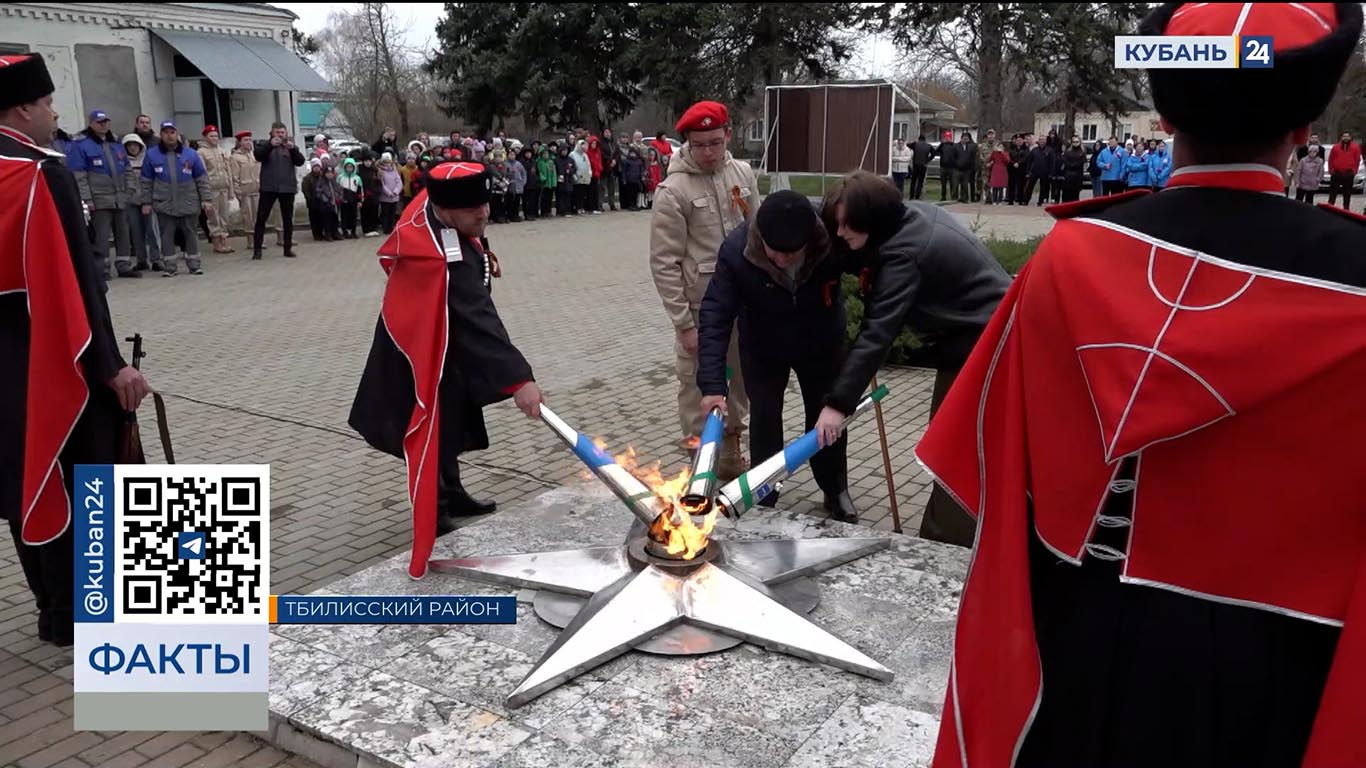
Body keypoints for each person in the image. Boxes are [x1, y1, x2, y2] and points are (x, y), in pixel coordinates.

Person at [916, 4, 1366, 767]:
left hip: (1077, 630)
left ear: (1162, 115)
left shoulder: (1071, 255)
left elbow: (988, 457)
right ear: (1305, 126)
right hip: (1277, 660)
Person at [1, 53, 151, 647]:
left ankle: (54, 610)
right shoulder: (40, 172)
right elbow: (78, 285)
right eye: (46, 103)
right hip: (55, 357)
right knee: (89, 471)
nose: (53, 113)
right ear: (21, 108)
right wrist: (109, 364)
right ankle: (95, 606)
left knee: (23, 476)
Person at [349, 162, 545, 579]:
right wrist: (519, 380)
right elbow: (478, 315)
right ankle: (435, 511)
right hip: (418, 351)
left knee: (452, 417)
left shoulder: (443, 208)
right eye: (475, 209)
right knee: (430, 426)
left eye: (486, 203)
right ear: (447, 209)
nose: (485, 214)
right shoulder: (435, 256)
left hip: (448, 339)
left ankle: (454, 494)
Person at [815, 170, 1010, 546]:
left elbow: (877, 333)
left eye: (846, 225)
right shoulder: (907, 218)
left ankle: (945, 546)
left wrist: (838, 405)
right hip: (971, 341)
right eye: (835, 224)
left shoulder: (906, 254)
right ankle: (956, 533)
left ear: (872, 218)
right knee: (949, 438)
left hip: (990, 347)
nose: (839, 234)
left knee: (955, 447)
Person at [698, 191, 856, 520]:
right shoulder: (737, 251)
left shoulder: (830, 238)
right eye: (775, 252)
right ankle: (764, 494)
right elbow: (715, 316)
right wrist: (713, 385)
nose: (782, 260)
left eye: (791, 253)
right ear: (761, 238)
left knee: (826, 419)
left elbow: (865, 260)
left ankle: (834, 488)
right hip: (763, 346)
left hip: (820, 343)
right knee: (766, 417)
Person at [650, 100, 757, 478]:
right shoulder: (673, 191)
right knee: (698, 392)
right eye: (700, 145)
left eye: (715, 142)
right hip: (700, 311)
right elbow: (664, 264)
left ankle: (730, 454)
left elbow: (757, 238)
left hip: (743, 307)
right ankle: (700, 468)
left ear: (728, 135)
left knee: (739, 385)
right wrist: (684, 324)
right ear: (687, 144)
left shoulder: (742, 173)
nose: (709, 152)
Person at [68, 108, 136, 279]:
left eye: (105, 121)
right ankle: (102, 269)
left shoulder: (115, 143)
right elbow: (80, 176)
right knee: (102, 235)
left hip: (120, 197)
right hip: (99, 199)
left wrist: (129, 190)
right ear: (91, 124)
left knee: (123, 233)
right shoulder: (82, 145)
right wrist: (87, 199)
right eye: (99, 122)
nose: (103, 125)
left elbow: (127, 169)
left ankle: (124, 265)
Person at [140, 121, 211, 277]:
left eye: (172, 132)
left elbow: (201, 179)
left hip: (188, 202)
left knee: (191, 233)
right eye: (165, 132)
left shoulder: (191, 154)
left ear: (177, 134)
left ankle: (194, 265)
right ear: (161, 135)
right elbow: (146, 181)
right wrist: (146, 202)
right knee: (166, 235)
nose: (169, 135)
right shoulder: (152, 154)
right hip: (164, 203)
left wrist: (206, 199)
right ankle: (170, 267)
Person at [253, 122, 304, 259]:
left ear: (286, 133)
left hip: (287, 188)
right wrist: (270, 145)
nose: (280, 135)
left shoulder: (291, 147)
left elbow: (300, 162)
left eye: (282, 132)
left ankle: (287, 248)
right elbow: (258, 156)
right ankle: (257, 249)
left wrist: (293, 150)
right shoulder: (264, 145)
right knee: (261, 218)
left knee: (287, 220)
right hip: (268, 188)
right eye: (277, 132)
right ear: (272, 133)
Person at [121, 132, 162, 271]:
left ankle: (157, 259)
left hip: (148, 201)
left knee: (153, 231)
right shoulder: (122, 161)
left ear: (140, 146)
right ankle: (141, 260)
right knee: (136, 233)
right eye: (129, 146)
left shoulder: (148, 160)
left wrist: (149, 200)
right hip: (131, 202)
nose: (132, 148)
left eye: (135, 145)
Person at [198, 125, 236, 254]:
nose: (214, 138)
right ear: (205, 137)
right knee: (213, 217)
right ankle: (216, 242)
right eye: (211, 136)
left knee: (224, 216)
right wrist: (204, 194)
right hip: (211, 189)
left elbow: (228, 171)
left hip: (223, 187)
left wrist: (231, 189)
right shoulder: (201, 152)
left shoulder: (222, 150)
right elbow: (201, 173)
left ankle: (224, 240)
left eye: (216, 136)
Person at [229, 131, 262, 250]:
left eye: (249, 140)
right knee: (248, 217)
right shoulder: (235, 157)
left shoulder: (254, 155)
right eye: (245, 140)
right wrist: (238, 193)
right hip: (245, 192)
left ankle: (259, 240)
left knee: (258, 216)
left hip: (257, 190)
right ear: (239, 142)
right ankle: (250, 241)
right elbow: (234, 177)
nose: (248, 142)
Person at [1326, 130, 1359, 209]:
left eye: (1347, 136)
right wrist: (1331, 170)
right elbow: (1331, 159)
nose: (1346, 138)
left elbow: (1357, 159)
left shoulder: (1355, 147)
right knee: (1333, 193)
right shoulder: (1335, 147)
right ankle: (1330, 208)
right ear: (1341, 137)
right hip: (1336, 173)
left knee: (1347, 194)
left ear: (1350, 137)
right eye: (1344, 136)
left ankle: (1346, 209)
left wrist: (1354, 171)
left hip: (1348, 173)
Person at [1024, 134, 1055, 206]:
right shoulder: (1034, 150)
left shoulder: (1050, 150)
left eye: (1043, 140)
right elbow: (1029, 161)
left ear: (1046, 141)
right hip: (1035, 171)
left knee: (1043, 188)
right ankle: (1026, 200)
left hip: (1045, 172)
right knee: (1029, 186)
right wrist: (1028, 171)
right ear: (1038, 141)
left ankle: (1040, 201)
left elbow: (1052, 163)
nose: (1041, 141)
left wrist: (1051, 173)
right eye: (1040, 140)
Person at [313, 164, 341, 241]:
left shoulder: (334, 181)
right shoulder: (321, 181)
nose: (329, 174)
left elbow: (339, 190)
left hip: (335, 203)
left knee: (335, 218)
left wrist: (338, 197)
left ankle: (335, 232)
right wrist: (325, 199)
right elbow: (318, 192)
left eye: (331, 172)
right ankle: (328, 233)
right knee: (327, 219)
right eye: (327, 173)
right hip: (325, 204)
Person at [337, 157, 362, 239]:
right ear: (344, 167)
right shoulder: (340, 177)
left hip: (353, 200)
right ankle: (345, 232)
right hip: (343, 201)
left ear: (354, 167)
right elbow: (337, 189)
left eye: (351, 167)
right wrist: (339, 199)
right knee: (344, 217)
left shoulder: (357, 178)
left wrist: (360, 200)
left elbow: (359, 190)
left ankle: (353, 232)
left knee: (353, 217)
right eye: (348, 167)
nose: (349, 168)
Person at [378, 152, 402, 234]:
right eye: (385, 162)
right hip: (385, 197)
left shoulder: (395, 171)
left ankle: (392, 227)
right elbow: (382, 184)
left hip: (394, 196)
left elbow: (399, 182)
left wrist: (396, 191)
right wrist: (389, 193)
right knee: (385, 213)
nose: (387, 164)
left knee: (392, 213)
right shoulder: (380, 171)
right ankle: (386, 228)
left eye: (389, 162)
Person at [1058, 136, 1087, 202]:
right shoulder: (1068, 151)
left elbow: (1083, 162)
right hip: (1068, 175)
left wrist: (1074, 165)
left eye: (1077, 142)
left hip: (1077, 176)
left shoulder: (1082, 152)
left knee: (1075, 194)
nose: (1075, 143)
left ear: (1080, 142)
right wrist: (1070, 165)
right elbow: (1064, 160)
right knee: (1066, 194)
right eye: (1074, 142)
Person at [301, 159, 324, 240]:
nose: (317, 168)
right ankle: (316, 234)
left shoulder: (322, 176)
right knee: (314, 219)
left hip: (322, 201)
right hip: (312, 202)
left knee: (321, 218)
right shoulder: (307, 178)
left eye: (318, 166)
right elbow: (305, 190)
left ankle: (321, 233)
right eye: (315, 166)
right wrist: (310, 199)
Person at [601, 127, 620, 211]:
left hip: (613, 168)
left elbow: (617, 153)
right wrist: (609, 160)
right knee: (602, 187)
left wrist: (615, 160)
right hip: (604, 168)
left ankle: (612, 204)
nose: (607, 134)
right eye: (606, 132)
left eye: (609, 132)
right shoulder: (601, 143)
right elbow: (602, 154)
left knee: (612, 187)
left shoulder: (614, 143)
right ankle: (600, 204)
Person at [570, 139, 591, 214]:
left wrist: (589, 172)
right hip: (577, 177)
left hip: (584, 177)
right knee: (577, 193)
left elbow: (588, 165)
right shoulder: (572, 154)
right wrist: (574, 174)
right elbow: (571, 165)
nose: (583, 147)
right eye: (581, 145)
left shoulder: (585, 155)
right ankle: (577, 207)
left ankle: (582, 206)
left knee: (583, 193)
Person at [504, 148, 526, 223]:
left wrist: (523, 182)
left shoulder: (518, 164)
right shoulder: (505, 164)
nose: (512, 156)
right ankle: (509, 215)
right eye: (510, 155)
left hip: (518, 186)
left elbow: (523, 173)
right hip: (509, 186)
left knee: (517, 202)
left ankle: (515, 215)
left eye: (513, 154)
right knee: (509, 202)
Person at [1008, 133, 1030, 204]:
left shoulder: (1026, 149)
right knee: (1011, 185)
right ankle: (1010, 200)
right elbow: (1009, 157)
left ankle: (1020, 200)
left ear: (1023, 141)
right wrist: (1013, 163)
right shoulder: (1012, 149)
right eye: (1017, 140)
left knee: (1021, 185)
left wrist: (1019, 163)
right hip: (1012, 169)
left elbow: (1026, 158)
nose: (1019, 142)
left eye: (1020, 140)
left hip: (1022, 170)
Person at [910, 134, 933, 200]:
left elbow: (908, 145)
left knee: (913, 181)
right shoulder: (928, 146)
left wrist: (914, 142)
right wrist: (928, 160)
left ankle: (911, 196)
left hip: (916, 165)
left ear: (919, 139)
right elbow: (934, 153)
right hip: (923, 165)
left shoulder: (915, 144)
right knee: (920, 181)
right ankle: (917, 196)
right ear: (925, 139)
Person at [976, 129, 996, 203]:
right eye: (989, 135)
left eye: (992, 135)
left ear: (994, 135)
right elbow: (980, 156)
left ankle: (995, 198)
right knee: (986, 183)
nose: (991, 136)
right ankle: (988, 198)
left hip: (995, 168)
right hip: (985, 168)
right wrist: (986, 163)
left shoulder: (998, 145)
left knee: (995, 183)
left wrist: (992, 162)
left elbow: (1000, 156)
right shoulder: (982, 146)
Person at [621, 146, 644, 211]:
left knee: (635, 193)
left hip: (637, 180)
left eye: (634, 153)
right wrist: (624, 179)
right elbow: (624, 171)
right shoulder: (627, 161)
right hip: (629, 180)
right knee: (630, 194)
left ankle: (635, 205)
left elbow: (641, 169)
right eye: (631, 153)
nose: (632, 154)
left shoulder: (639, 161)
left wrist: (642, 176)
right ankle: (630, 205)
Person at [585, 135, 604, 214]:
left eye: (595, 143)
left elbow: (599, 161)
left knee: (596, 191)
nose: (594, 145)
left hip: (597, 173)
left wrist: (600, 168)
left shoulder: (598, 152)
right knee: (590, 191)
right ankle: (591, 207)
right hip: (590, 174)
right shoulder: (588, 152)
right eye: (593, 143)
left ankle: (596, 207)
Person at [535, 147, 556, 218]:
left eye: (547, 153)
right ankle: (543, 212)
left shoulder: (551, 162)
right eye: (544, 153)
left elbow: (554, 173)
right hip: (543, 183)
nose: (546, 155)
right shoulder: (539, 162)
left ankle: (548, 211)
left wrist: (554, 182)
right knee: (543, 199)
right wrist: (542, 178)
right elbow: (538, 171)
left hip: (550, 184)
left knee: (549, 198)